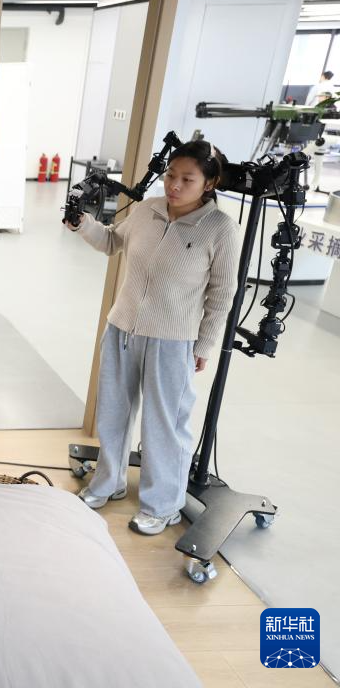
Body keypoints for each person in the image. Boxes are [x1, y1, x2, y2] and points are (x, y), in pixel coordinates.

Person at [66, 141, 240, 535]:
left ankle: (163, 505)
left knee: (164, 425)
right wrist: (83, 225)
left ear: (209, 183)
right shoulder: (147, 209)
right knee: (113, 412)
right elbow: (113, 241)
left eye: (187, 179)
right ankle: (108, 481)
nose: (174, 185)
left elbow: (222, 294)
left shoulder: (220, 229)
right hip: (122, 328)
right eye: (170, 175)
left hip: (173, 340)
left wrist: (204, 345)